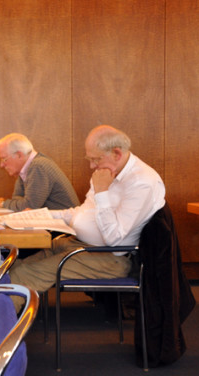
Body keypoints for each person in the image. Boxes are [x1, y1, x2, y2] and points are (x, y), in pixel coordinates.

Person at [10, 125, 165, 293]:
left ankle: (3, 309)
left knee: (24, 274)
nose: (92, 165)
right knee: (15, 266)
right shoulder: (105, 173)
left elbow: (114, 238)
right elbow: (82, 213)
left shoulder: (141, 182)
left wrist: (102, 192)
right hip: (80, 245)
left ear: (117, 154)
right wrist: (39, 216)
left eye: (96, 159)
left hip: (109, 257)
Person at [0, 133, 80, 212]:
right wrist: (15, 203)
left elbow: (29, 207)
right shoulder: (26, 168)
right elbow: (17, 199)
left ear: (19, 155)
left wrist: (4, 203)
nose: (1, 165)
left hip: (64, 224)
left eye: (4, 159)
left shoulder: (38, 166)